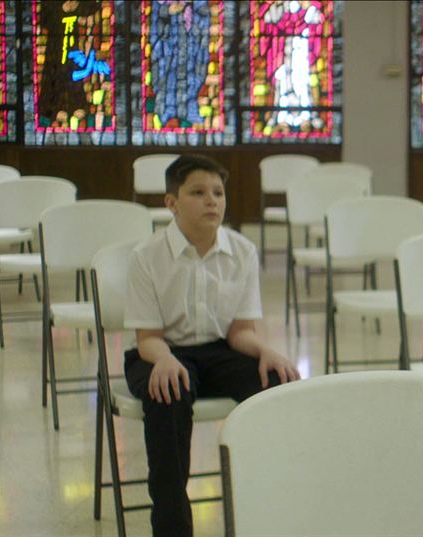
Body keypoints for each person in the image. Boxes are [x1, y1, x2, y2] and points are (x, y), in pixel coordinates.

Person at [123, 154, 300, 536]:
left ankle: (276, 509)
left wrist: (265, 350)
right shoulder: (146, 257)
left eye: (218, 193)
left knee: (277, 384)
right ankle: (172, 526)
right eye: (198, 193)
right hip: (160, 352)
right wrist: (167, 360)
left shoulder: (242, 251)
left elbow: (240, 333)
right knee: (168, 392)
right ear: (171, 203)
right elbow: (147, 339)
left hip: (219, 348)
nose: (212, 201)